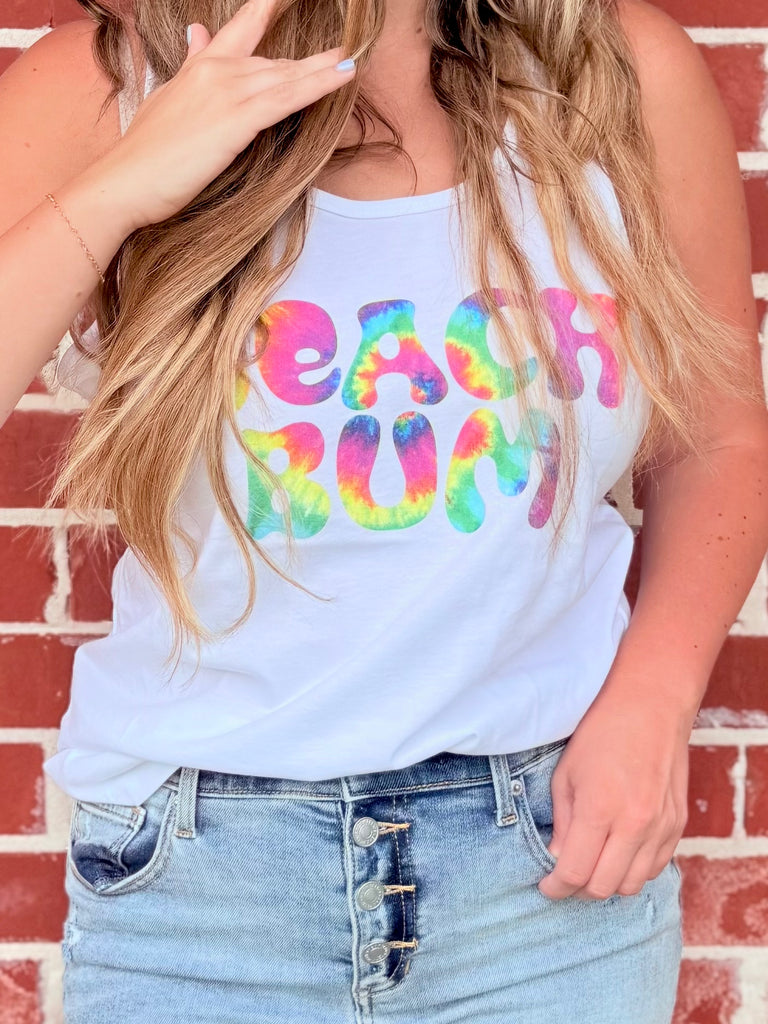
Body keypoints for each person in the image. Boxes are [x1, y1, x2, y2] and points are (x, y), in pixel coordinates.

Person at [1, 0, 766, 1020]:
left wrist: (656, 700)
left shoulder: (616, 76)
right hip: (200, 899)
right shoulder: (104, 84)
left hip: (547, 883)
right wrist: (121, 190)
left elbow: (717, 439)